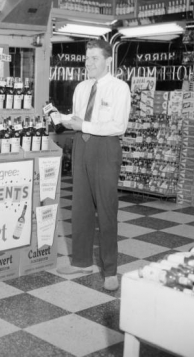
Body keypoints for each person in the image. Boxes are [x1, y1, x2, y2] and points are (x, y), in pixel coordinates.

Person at [55, 39, 131, 291]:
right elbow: (78, 118)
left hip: (106, 148)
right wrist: (63, 119)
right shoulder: (81, 87)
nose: (89, 63)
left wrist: (82, 125)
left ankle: (110, 270)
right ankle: (81, 261)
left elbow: (118, 126)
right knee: (80, 206)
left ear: (108, 61)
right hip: (81, 146)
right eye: (87, 58)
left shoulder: (119, 88)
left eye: (94, 58)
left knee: (107, 210)